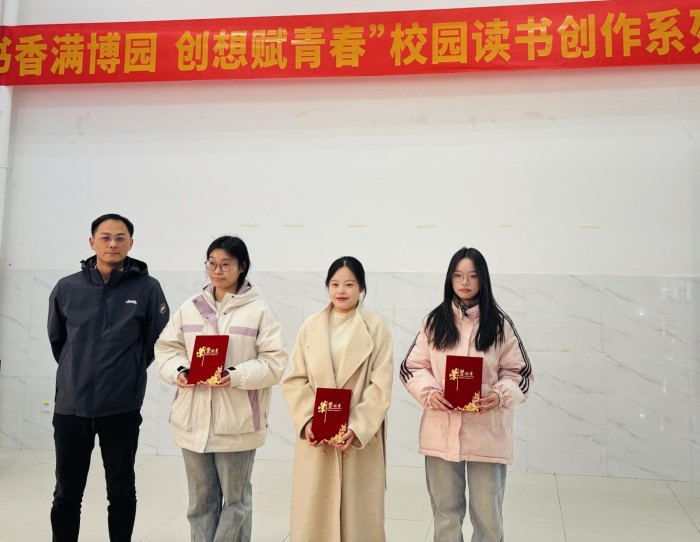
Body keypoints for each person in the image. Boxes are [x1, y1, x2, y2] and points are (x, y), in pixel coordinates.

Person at [155, 235, 287, 542]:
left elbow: (275, 362)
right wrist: (180, 371)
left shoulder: (259, 311)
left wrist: (236, 375)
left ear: (242, 267)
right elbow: (166, 348)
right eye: (212, 263)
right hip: (192, 421)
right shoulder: (190, 307)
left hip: (237, 423)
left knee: (235, 505)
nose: (217, 270)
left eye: (226, 264)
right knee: (200, 504)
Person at [47, 213, 170, 542]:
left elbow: (156, 341)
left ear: (131, 243)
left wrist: (126, 371)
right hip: (71, 407)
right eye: (105, 237)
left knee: (121, 491)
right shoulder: (67, 287)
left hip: (121, 407)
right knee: (66, 493)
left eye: (120, 238)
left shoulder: (147, 288)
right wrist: (78, 371)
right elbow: (59, 340)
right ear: (92, 242)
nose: (112, 243)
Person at [400, 247, 532, 542]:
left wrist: (499, 395)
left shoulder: (500, 324)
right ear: (450, 279)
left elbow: (521, 374)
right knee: (446, 514)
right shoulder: (434, 321)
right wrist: (430, 392)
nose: (465, 282)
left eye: (472, 276)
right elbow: (411, 367)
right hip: (441, 431)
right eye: (458, 275)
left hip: (487, 433)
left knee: (488, 517)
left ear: (483, 279)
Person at [282, 256, 393, 542]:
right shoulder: (310, 326)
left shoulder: (376, 328)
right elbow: (295, 379)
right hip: (318, 438)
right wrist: (307, 420)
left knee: (359, 522)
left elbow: (380, 386)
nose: (341, 291)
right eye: (334, 284)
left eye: (349, 284)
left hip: (357, 439)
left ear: (362, 288)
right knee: (315, 517)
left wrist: (357, 426)